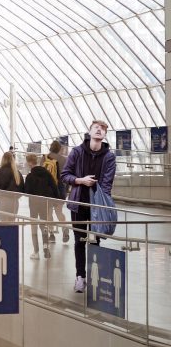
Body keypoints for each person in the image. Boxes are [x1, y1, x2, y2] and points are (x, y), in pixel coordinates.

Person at [61, 119, 116, 293]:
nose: (99, 130)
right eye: (96, 128)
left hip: (96, 206)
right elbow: (65, 175)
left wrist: (100, 202)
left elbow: (107, 184)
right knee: (79, 241)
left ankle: (94, 277)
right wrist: (80, 180)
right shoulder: (77, 152)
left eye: (103, 129)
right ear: (89, 132)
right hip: (78, 204)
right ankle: (80, 277)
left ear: (105, 135)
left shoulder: (109, 157)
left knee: (95, 240)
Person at [23, 151, 58, 259]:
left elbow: (26, 192)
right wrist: (55, 201)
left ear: (29, 163)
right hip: (45, 203)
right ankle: (46, 248)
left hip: (33, 204)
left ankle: (36, 252)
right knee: (44, 226)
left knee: (34, 227)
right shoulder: (46, 173)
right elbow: (54, 186)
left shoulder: (29, 177)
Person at [45, 139, 70, 242]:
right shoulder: (64, 160)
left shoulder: (45, 158)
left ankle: (51, 235)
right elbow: (67, 176)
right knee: (59, 212)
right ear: (59, 149)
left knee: (48, 213)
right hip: (60, 189)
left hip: (48, 190)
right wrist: (66, 190)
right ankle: (65, 229)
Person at [0, 149, 23, 220]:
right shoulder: (17, 173)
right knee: (12, 224)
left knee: (3, 224)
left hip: (3, 200)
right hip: (14, 201)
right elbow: (22, 188)